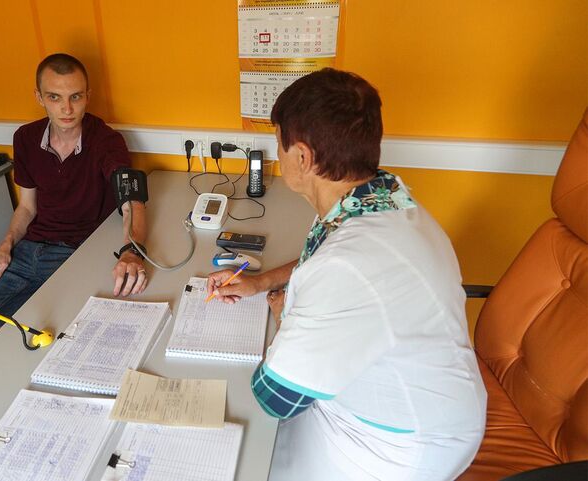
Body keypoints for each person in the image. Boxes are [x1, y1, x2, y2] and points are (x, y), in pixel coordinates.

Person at [207, 68, 487, 481]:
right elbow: (325, 257)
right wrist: (263, 282)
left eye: (279, 144)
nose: (277, 156)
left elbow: (276, 399)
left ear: (303, 157)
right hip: (430, 397)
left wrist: (286, 318)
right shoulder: (378, 199)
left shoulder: (348, 264)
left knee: (246, 458)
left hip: (400, 447)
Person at [0, 54, 148, 400]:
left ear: (88, 96)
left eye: (75, 96)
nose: (66, 108)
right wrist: (3, 247)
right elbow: (27, 208)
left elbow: (131, 200)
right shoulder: (26, 138)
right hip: (27, 252)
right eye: (54, 97)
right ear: (39, 97)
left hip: (74, 255)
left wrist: (132, 251)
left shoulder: (106, 141)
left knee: (46, 340)